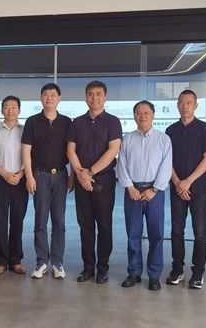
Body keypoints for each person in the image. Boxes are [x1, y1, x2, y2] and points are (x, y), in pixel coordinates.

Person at [67, 81, 122, 284]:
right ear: (86, 97)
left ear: (105, 97)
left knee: (104, 226)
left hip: (104, 180)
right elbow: (70, 150)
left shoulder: (113, 122)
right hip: (82, 180)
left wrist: (89, 172)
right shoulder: (77, 122)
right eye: (91, 94)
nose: (95, 97)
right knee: (85, 226)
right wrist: (81, 175)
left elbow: (113, 150)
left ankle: (103, 269)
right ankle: (88, 267)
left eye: (99, 94)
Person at [117, 101, 172, 291]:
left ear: (153, 115)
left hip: (154, 193)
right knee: (133, 235)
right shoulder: (127, 139)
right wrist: (129, 187)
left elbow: (166, 166)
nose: (143, 116)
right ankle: (134, 272)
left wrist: (154, 190)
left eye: (146, 112)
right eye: (138, 113)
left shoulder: (163, 139)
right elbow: (121, 164)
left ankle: (154, 275)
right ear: (134, 116)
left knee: (156, 235)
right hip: (132, 192)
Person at [165, 89, 206, 289]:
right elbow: (167, 160)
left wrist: (188, 182)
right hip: (177, 188)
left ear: (196, 105)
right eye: (181, 102)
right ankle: (177, 270)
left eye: (189, 102)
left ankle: (198, 273)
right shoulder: (170, 130)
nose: (185, 106)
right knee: (177, 231)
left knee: (200, 232)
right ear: (177, 105)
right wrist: (178, 183)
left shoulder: (205, 129)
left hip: (199, 189)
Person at [22, 83, 71, 279]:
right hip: (39, 176)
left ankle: (57, 262)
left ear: (59, 99)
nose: (49, 97)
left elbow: (72, 151)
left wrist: (73, 175)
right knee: (40, 221)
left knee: (59, 221)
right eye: (45, 94)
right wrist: (29, 176)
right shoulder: (32, 121)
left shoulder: (67, 122)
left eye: (53, 94)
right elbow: (26, 150)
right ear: (41, 98)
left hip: (61, 175)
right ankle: (41, 261)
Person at [0, 96, 28, 276]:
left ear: (19, 110)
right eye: (6, 107)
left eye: (13, 107)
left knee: (17, 221)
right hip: (0, 181)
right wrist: (4, 174)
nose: (10, 110)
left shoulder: (26, 131)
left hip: (20, 180)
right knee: (0, 222)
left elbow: (29, 156)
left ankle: (16, 261)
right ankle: (1, 261)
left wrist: (20, 174)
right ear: (2, 110)